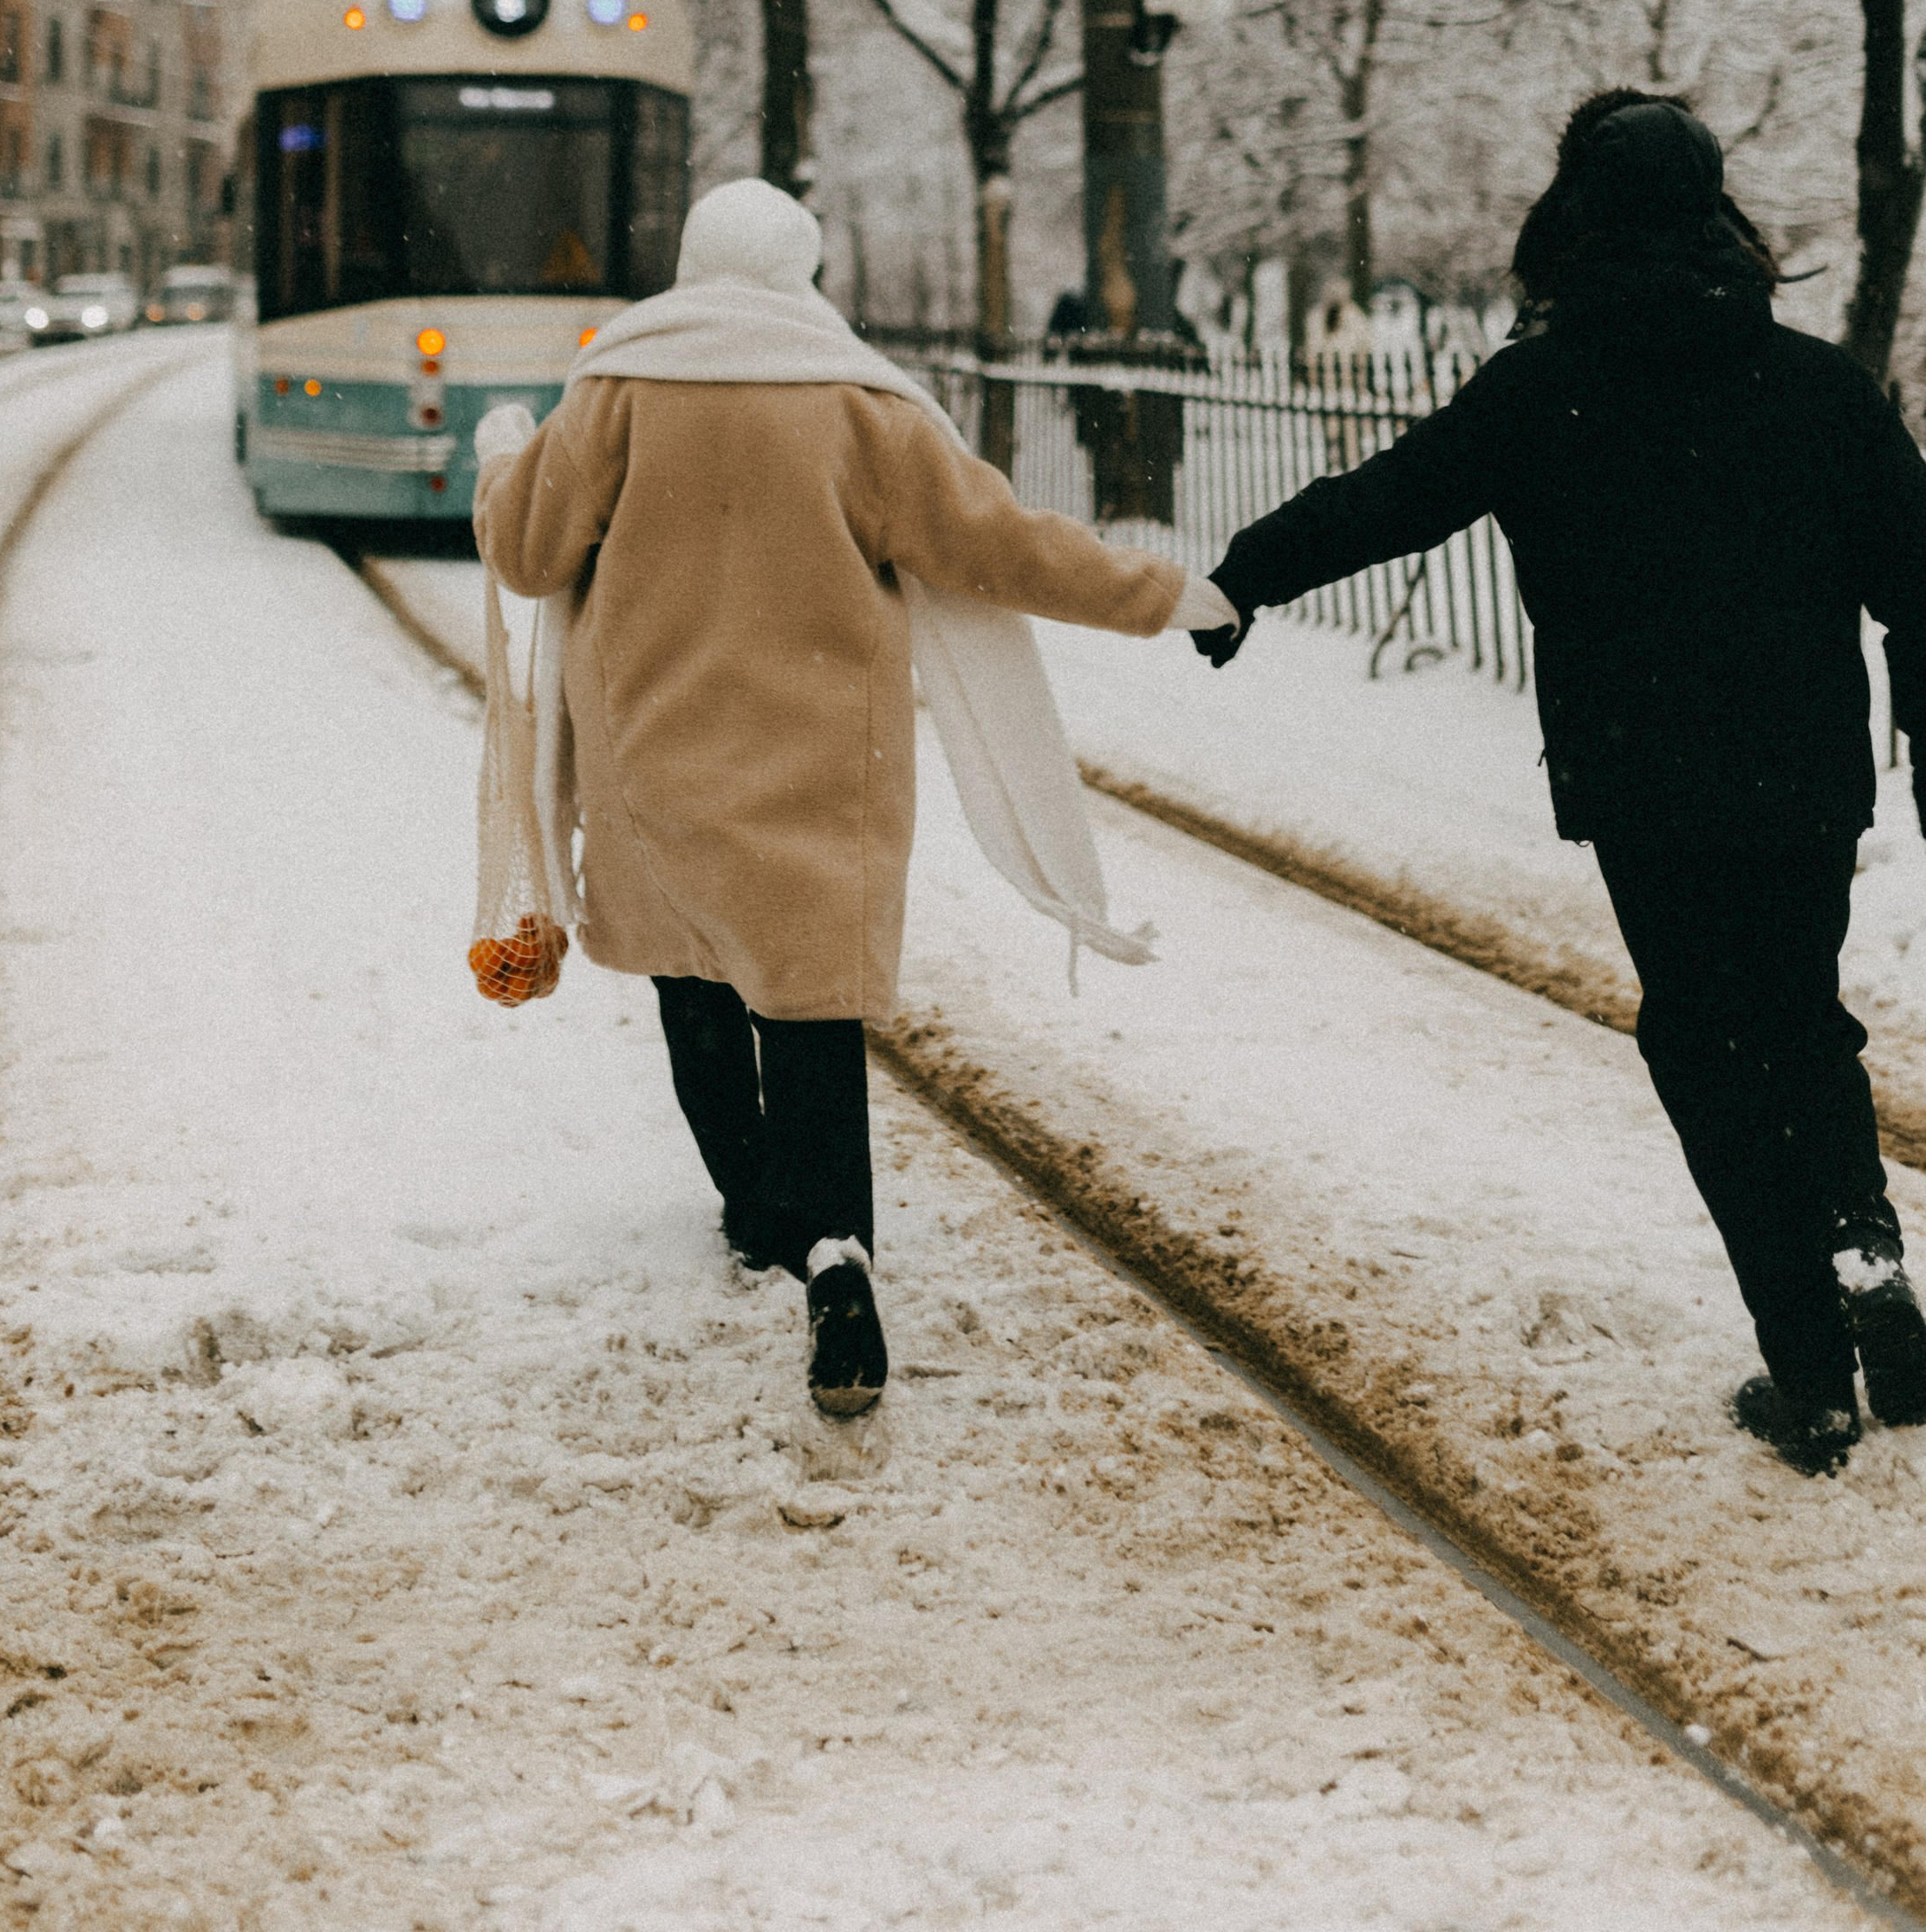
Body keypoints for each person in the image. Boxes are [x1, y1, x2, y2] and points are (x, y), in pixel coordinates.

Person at [1193, 91, 1926, 1477]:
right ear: (1723, 223)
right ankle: (1865, 1252)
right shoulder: (1819, 389)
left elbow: (1389, 500)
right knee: (1798, 1017)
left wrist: (1240, 576)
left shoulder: (1544, 391)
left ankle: (1811, 1372)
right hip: (1802, 772)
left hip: (1649, 778)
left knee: (1704, 1044)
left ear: (1574, 219)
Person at [473, 179, 1233, 1422]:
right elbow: (1003, 544)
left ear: (692, 261)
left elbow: (528, 551)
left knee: (697, 990)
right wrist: (1164, 593)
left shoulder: (617, 386)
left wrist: (506, 448)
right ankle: (835, 1257)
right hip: (824, 770)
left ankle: (755, 1209)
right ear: (804, 269)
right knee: (813, 1012)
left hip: (656, 758)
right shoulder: (862, 404)